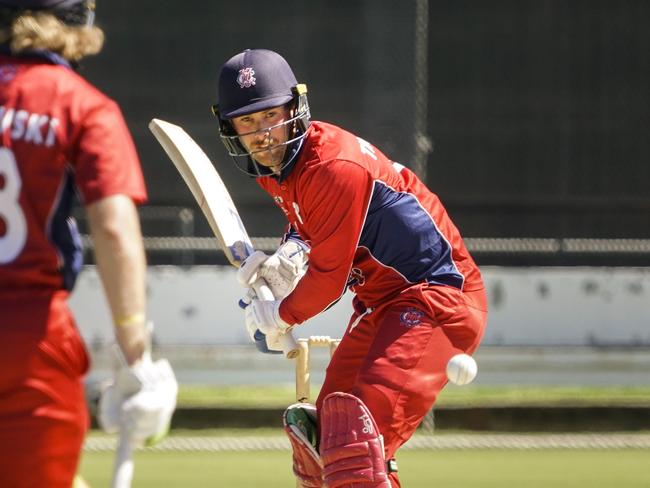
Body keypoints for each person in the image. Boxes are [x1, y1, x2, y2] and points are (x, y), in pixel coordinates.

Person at [213, 48, 488, 487]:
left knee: (354, 446)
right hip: (381, 304)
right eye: (247, 122)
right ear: (232, 129)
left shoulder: (333, 164)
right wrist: (285, 261)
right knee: (326, 441)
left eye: (270, 116)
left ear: (294, 108)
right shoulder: (279, 170)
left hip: (436, 298)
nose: (262, 133)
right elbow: (314, 228)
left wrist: (279, 314)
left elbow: (329, 279)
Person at [0, 1, 177, 486]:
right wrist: (134, 351)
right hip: (29, 338)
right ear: (81, 28)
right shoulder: (82, 103)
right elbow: (115, 227)